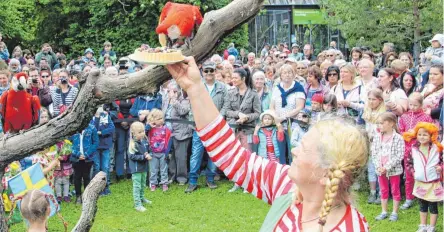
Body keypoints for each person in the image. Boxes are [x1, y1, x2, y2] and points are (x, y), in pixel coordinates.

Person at [166, 56, 369, 231]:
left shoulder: (350, 228)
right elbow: (230, 154)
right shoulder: (288, 187)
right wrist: (194, 88)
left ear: (326, 174)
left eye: (305, 148)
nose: (295, 151)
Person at [185, 61, 227, 193]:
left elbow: (226, 105)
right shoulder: (197, 87)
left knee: (213, 154)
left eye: (211, 71)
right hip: (200, 126)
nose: (209, 73)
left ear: (215, 71)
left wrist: (219, 119)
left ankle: (210, 178)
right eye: (206, 71)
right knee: (196, 154)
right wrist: (195, 123)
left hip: (216, 126)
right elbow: (192, 106)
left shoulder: (222, 87)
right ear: (202, 72)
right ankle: (192, 181)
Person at [403, 123, 443, 232]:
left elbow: (442, 161)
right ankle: (423, 226)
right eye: (419, 134)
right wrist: (413, 173)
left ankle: (432, 227)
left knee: (433, 206)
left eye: (425, 135)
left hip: (433, 183)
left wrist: (441, 167)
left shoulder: (437, 148)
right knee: (422, 205)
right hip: (420, 182)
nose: (421, 137)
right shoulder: (413, 149)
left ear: (431, 136)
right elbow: (408, 163)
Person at [398, 93, 433, 210]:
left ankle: (423, 196)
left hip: (421, 150)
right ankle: (409, 198)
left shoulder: (426, 118)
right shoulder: (404, 116)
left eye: (415, 105)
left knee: (422, 173)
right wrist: (406, 134)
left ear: (421, 105)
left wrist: (417, 135)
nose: (412, 107)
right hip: (408, 151)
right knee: (408, 176)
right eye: (410, 104)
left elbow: (430, 132)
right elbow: (400, 130)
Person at [372, 112, 404, 222]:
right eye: (378, 123)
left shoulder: (398, 138)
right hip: (380, 170)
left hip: (393, 170)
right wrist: (379, 166)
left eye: (381, 123)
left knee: (395, 190)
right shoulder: (377, 137)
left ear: (391, 124)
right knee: (383, 190)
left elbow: (399, 155)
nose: (379, 125)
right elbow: (374, 153)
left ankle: (394, 212)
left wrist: (387, 166)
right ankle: (384, 211)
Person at [222, 68, 261, 150]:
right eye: (232, 78)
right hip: (233, 129)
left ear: (243, 79)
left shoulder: (253, 94)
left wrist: (246, 117)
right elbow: (227, 111)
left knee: (247, 155)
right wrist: (238, 114)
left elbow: (257, 113)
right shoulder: (230, 93)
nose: (233, 80)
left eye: (236, 78)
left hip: (247, 130)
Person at [362, 88, 386, 204]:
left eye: (374, 99)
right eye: (369, 99)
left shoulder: (384, 113)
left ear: (380, 100)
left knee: (380, 169)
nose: (371, 102)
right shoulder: (367, 111)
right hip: (369, 144)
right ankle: (372, 192)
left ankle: (382, 192)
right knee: (371, 168)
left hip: (381, 144)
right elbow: (362, 126)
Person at [71, 123, 99, 204]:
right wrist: (77, 154)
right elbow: (68, 143)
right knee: (77, 177)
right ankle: (78, 196)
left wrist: (87, 154)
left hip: (88, 158)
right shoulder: (73, 127)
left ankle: (86, 196)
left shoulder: (92, 128)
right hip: (76, 158)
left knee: (86, 177)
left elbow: (95, 142)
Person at [128, 121, 152, 212]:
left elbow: (145, 151)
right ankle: (137, 204)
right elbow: (131, 156)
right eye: (140, 132)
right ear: (133, 133)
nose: (142, 134)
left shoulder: (143, 141)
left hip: (144, 168)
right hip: (137, 169)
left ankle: (142, 198)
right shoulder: (133, 144)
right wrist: (144, 157)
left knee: (142, 184)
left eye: (143, 131)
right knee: (137, 186)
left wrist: (147, 154)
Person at [90, 106, 115, 195]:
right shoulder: (91, 117)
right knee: (97, 167)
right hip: (95, 147)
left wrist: (102, 132)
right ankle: (97, 188)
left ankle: (106, 187)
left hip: (105, 146)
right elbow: (93, 129)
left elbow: (111, 128)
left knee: (105, 167)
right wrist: (97, 117)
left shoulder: (106, 116)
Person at [146, 109, 172, 192]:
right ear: (153, 120)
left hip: (163, 153)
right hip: (153, 152)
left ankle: (164, 183)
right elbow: (144, 132)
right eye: (159, 119)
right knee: (153, 170)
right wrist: (149, 125)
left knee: (163, 169)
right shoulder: (150, 129)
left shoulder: (165, 129)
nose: (161, 120)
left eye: (162, 118)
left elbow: (169, 140)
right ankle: (153, 184)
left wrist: (167, 152)